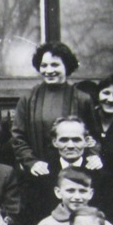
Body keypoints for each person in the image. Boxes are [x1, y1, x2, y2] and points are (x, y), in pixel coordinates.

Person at [10, 41, 96, 177]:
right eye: (44, 65)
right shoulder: (27, 99)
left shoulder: (82, 99)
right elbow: (18, 137)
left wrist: (93, 156)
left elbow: (93, 136)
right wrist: (32, 162)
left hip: (74, 174)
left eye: (55, 65)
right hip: (39, 172)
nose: (49, 71)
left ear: (66, 66)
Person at [21, 117, 113, 225]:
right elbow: (30, 221)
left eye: (76, 140)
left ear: (86, 141)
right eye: (64, 140)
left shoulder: (101, 175)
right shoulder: (41, 175)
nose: (70, 145)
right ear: (55, 142)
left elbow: (110, 218)